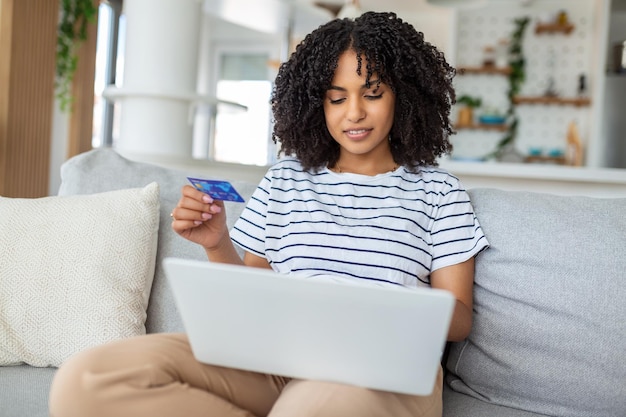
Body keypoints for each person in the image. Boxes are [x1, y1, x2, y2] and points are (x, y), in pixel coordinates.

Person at [49, 11, 488, 417]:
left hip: (382, 372)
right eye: (336, 99)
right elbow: (252, 296)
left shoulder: (437, 192)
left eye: (372, 94)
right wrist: (217, 243)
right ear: (317, 104)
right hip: (277, 360)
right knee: (88, 378)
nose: (354, 113)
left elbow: (460, 319)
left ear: (403, 96)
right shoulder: (285, 180)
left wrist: (377, 308)